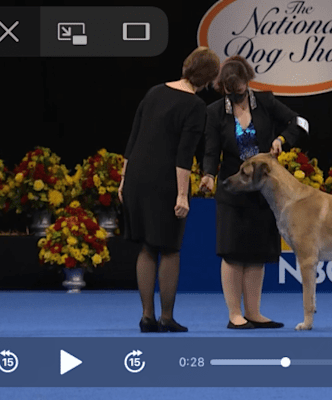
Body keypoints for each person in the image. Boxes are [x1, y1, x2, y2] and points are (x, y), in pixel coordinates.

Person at [200, 55, 309, 329]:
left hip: (264, 191)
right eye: (228, 90)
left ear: (247, 83)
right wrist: (208, 176)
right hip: (232, 188)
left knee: (257, 252)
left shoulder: (267, 102)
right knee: (233, 251)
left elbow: (300, 122)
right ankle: (234, 314)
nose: (234, 95)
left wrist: (281, 139)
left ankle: (254, 312)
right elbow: (211, 150)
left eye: (238, 89)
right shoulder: (214, 112)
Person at [119, 47, 220, 333]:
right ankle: (166, 318)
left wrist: (123, 180)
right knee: (170, 248)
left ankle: (146, 317)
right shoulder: (194, 105)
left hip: (137, 176)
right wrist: (181, 195)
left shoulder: (153, 92)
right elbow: (183, 154)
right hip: (165, 180)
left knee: (148, 246)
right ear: (209, 77)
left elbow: (133, 138)